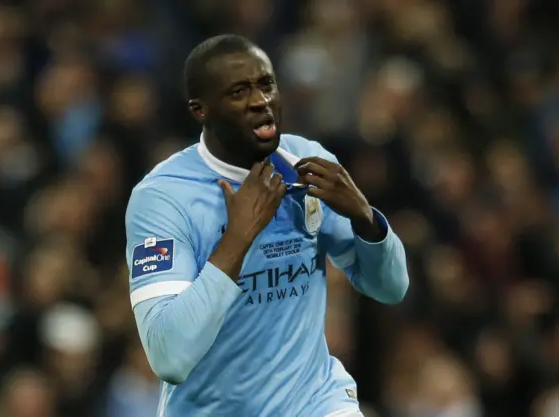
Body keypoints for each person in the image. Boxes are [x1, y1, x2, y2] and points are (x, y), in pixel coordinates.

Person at [125, 34, 410, 417]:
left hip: (316, 402)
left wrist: (365, 217)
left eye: (266, 84)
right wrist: (238, 239)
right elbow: (169, 356)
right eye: (239, 91)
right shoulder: (162, 199)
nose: (261, 101)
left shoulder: (306, 161)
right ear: (200, 110)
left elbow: (391, 288)